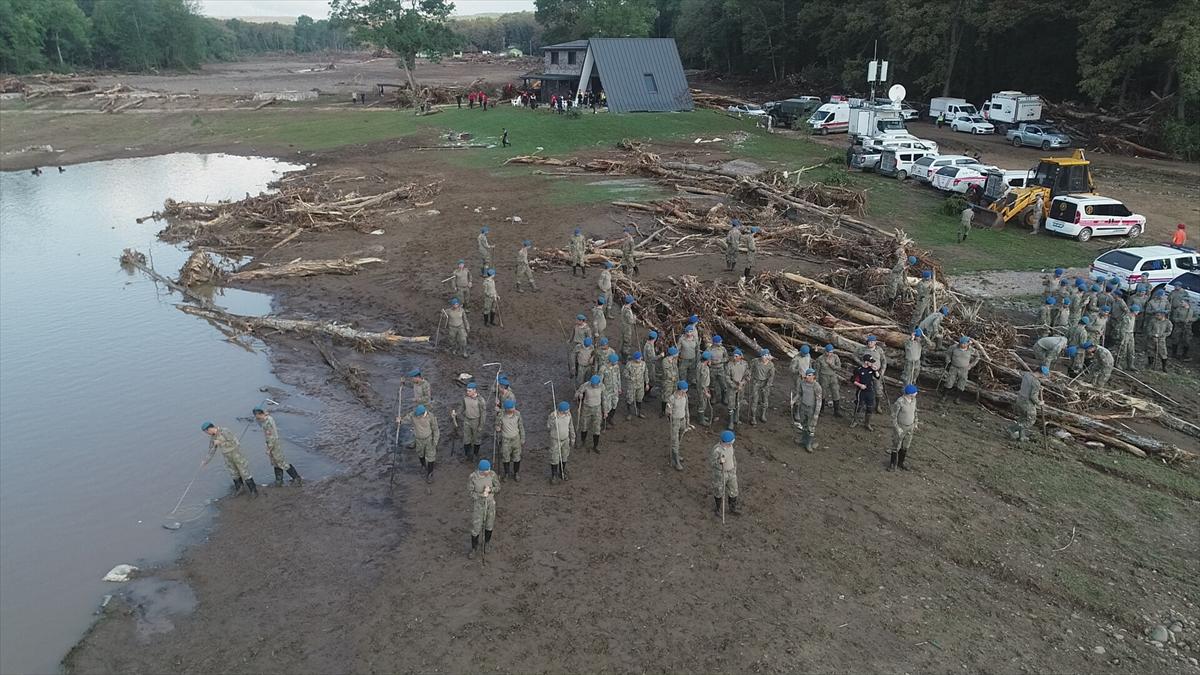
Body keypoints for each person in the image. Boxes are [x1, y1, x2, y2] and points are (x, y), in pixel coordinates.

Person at [203, 422, 258, 497]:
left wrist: (221, 442)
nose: (207, 433)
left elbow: (235, 442)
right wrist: (206, 461)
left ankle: (253, 491)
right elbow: (211, 450)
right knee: (233, 473)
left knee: (244, 472)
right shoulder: (213, 437)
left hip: (236, 454)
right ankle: (239, 489)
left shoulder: (224, 431)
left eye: (207, 431)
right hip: (227, 457)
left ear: (210, 428)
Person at [254, 408, 302, 487]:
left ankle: (296, 478)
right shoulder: (266, 419)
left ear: (261, 414)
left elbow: (271, 437)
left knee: (281, 462)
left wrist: (269, 449)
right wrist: (259, 418)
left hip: (274, 444)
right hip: (271, 443)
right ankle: (279, 480)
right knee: (275, 463)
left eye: (258, 417)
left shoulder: (268, 422)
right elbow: (260, 424)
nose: (258, 419)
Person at [467, 459, 500, 560]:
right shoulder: (473, 477)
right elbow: (470, 492)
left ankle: (487, 543)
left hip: (490, 504)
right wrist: (481, 495)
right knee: (476, 527)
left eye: (489, 469)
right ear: (481, 471)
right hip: (479, 505)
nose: (489, 471)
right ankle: (474, 548)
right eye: (487, 470)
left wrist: (490, 490)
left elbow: (498, 487)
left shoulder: (492, 475)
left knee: (489, 524)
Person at [400, 404, 440, 482]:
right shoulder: (413, 414)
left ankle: (430, 473)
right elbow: (406, 419)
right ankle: (423, 465)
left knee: (431, 456)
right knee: (420, 453)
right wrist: (400, 421)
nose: (417, 416)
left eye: (418, 415)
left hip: (429, 439)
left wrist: (435, 442)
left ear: (423, 413)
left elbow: (436, 429)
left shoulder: (431, 417)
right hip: (418, 439)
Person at [1007, 366, 1047, 443]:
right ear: (1041, 373)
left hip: (1020, 399)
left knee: (1022, 418)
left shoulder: (1027, 375)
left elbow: (1029, 385)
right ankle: (1012, 429)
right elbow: (1033, 397)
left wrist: (1038, 388)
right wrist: (1039, 403)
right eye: (1044, 374)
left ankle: (1021, 436)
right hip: (1027, 403)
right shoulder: (1036, 383)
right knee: (1030, 420)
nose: (1044, 376)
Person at [940, 336, 980, 402]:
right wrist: (948, 359)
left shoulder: (971, 350)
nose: (962, 345)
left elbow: (977, 357)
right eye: (961, 343)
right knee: (949, 381)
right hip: (954, 367)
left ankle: (957, 398)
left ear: (968, 343)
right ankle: (944, 396)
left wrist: (971, 365)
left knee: (961, 384)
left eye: (964, 344)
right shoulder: (954, 347)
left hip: (964, 369)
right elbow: (948, 353)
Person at [710, 430, 739, 517]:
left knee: (734, 490)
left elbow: (733, 458)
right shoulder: (717, 450)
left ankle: (732, 508)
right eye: (730, 442)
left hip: (731, 473)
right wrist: (719, 461)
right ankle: (718, 508)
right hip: (720, 474)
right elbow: (712, 463)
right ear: (724, 442)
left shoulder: (731, 447)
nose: (731, 444)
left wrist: (734, 469)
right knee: (718, 491)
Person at [792, 368, 823, 452]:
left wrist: (816, 414)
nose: (807, 377)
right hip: (803, 406)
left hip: (811, 409)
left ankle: (808, 443)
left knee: (811, 427)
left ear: (813, 376)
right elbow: (799, 393)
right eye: (807, 375)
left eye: (809, 375)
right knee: (803, 423)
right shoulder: (802, 383)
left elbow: (819, 401)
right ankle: (803, 439)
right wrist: (794, 400)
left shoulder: (817, 386)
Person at [890, 385, 919, 471]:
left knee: (905, 446)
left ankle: (901, 463)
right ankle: (892, 464)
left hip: (910, 427)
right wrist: (897, 428)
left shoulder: (914, 400)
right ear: (910, 394)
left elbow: (915, 412)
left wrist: (915, 423)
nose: (916, 393)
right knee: (896, 446)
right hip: (901, 427)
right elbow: (893, 417)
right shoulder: (900, 402)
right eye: (915, 392)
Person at [495, 399, 525, 481]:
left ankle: (516, 473)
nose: (514, 409)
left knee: (517, 457)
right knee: (505, 457)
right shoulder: (501, 415)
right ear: (507, 409)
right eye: (512, 408)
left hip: (516, 439)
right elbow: (497, 425)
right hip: (505, 440)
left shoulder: (517, 414)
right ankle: (506, 473)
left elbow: (521, 427)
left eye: (513, 407)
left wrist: (522, 438)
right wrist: (497, 428)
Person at [455, 382, 486, 462]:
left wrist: (481, 426)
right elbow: (462, 407)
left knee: (477, 439)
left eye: (469, 391)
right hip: (467, 420)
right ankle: (467, 455)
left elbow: (483, 414)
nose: (467, 392)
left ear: (474, 390)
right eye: (467, 391)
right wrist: (457, 413)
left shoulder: (481, 400)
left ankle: (475, 454)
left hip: (476, 421)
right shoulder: (465, 398)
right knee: (466, 439)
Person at [546, 401, 575, 484]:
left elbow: (571, 426)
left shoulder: (568, 415)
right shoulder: (553, 416)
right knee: (554, 457)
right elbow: (548, 427)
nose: (569, 411)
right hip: (555, 440)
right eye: (567, 410)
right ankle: (554, 475)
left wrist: (573, 438)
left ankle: (562, 471)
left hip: (565, 439)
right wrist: (552, 420)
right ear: (562, 410)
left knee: (564, 456)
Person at [850, 354, 881, 430]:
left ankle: (867, 423)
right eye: (870, 362)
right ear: (866, 362)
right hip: (861, 391)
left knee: (870, 407)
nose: (872, 363)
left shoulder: (871, 369)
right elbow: (852, 380)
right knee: (859, 406)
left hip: (870, 390)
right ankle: (855, 421)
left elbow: (878, 377)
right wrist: (860, 385)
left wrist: (876, 370)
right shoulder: (858, 369)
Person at [858, 335, 887, 412]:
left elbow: (884, 360)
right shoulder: (863, 349)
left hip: (876, 372)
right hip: (866, 373)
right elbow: (854, 355)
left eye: (872, 342)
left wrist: (883, 370)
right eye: (869, 342)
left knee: (878, 389)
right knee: (865, 388)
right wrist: (861, 363)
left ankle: (877, 405)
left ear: (875, 342)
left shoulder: (879, 350)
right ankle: (862, 404)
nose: (870, 343)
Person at [576, 375, 604, 453]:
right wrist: (579, 395)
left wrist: (605, 411)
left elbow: (604, 398)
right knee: (584, 426)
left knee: (597, 428)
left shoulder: (602, 386)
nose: (595, 386)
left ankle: (596, 445)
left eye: (596, 384)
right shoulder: (586, 385)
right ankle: (582, 441)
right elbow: (577, 393)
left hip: (597, 409)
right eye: (593, 384)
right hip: (586, 408)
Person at [667, 381, 690, 470]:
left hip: (682, 420)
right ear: (680, 390)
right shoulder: (672, 398)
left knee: (680, 436)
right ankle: (676, 461)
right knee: (675, 440)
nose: (685, 392)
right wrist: (669, 413)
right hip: (675, 421)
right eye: (685, 390)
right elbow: (668, 410)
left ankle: (675, 453)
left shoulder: (685, 396)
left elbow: (686, 408)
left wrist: (688, 420)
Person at [1168, 280, 1195, 359]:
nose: (1176, 287)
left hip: (1187, 327)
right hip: (1179, 325)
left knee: (1187, 340)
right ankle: (1174, 353)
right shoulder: (1178, 309)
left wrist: (1191, 319)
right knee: (1175, 338)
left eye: (1182, 302)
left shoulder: (1191, 309)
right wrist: (1179, 320)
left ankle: (1184, 354)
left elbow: (1196, 316)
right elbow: (1174, 318)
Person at [749, 348, 776, 425]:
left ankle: (763, 415)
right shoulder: (755, 361)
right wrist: (749, 375)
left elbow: (771, 377)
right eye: (763, 355)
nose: (764, 357)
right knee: (754, 400)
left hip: (765, 383)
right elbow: (750, 369)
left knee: (765, 400)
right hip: (756, 382)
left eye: (766, 355)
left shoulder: (771, 365)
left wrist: (767, 386)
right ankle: (753, 417)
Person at [816, 344, 842, 417]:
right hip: (823, 377)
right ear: (825, 351)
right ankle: (821, 410)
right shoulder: (820, 359)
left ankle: (836, 411)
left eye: (831, 352)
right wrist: (817, 381)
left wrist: (832, 365)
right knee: (823, 393)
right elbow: (817, 371)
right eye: (828, 352)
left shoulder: (835, 357)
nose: (829, 354)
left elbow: (839, 368)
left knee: (835, 392)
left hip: (833, 377)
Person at [726, 348, 750, 429]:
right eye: (734, 356)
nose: (734, 358)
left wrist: (743, 383)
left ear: (740, 356)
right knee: (731, 404)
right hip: (732, 388)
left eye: (736, 356)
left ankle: (736, 418)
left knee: (738, 402)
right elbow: (727, 377)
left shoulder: (745, 364)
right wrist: (734, 385)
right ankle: (731, 422)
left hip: (741, 388)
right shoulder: (729, 364)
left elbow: (747, 375)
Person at [624, 351, 649, 420]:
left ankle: (639, 412)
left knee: (639, 398)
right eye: (637, 359)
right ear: (634, 359)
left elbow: (646, 373)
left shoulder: (643, 364)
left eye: (640, 358)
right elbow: (625, 374)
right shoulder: (629, 364)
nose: (639, 360)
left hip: (640, 385)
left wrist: (647, 383)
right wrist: (630, 377)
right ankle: (629, 413)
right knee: (630, 399)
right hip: (631, 385)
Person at [1114, 304, 1139, 371]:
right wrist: (1122, 338)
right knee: (1122, 349)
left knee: (1131, 350)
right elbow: (1122, 329)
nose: (1138, 312)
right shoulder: (1126, 317)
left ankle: (1130, 365)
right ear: (1134, 311)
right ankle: (1117, 363)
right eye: (1137, 311)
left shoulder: (1133, 316)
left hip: (1130, 334)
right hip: (1125, 334)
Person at [708, 335, 729, 412]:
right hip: (712, 369)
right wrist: (710, 362)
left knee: (723, 384)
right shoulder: (709, 349)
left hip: (721, 369)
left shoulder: (723, 349)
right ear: (715, 342)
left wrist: (721, 361)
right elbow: (706, 358)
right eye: (719, 342)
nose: (721, 343)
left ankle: (724, 398)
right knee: (712, 384)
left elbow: (727, 358)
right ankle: (713, 397)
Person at [600, 352, 622, 427]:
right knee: (606, 407)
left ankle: (610, 418)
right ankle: (604, 422)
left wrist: (619, 388)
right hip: (607, 391)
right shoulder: (603, 368)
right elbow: (600, 381)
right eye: (615, 361)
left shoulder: (616, 367)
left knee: (614, 404)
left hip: (615, 390)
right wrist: (602, 391)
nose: (617, 362)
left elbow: (618, 378)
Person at [659, 346, 680, 417]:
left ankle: (670, 410)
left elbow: (676, 369)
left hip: (674, 381)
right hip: (667, 381)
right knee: (666, 396)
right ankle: (663, 411)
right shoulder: (665, 361)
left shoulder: (674, 360)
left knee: (673, 395)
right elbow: (666, 372)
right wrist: (672, 377)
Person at [696, 351, 715, 426]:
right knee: (702, 404)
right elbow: (703, 382)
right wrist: (706, 392)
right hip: (702, 388)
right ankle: (701, 420)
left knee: (702, 402)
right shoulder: (704, 368)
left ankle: (701, 416)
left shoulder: (700, 364)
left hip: (701, 387)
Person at [642, 330, 661, 395]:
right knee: (650, 380)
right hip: (649, 365)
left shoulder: (649, 344)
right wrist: (660, 355)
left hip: (649, 364)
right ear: (655, 338)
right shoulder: (649, 347)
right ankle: (646, 394)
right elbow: (652, 359)